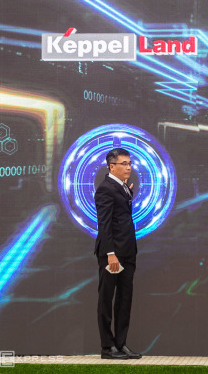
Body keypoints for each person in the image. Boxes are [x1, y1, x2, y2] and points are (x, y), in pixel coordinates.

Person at [94, 148, 142, 359]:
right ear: (112, 166)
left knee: (124, 299)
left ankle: (121, 344)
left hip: (128, 251)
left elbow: (122, 216)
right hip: (112, 253)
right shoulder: (105, 189)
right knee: (106, 299)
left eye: (130, 163)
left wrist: (128, 195)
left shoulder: (122, 187)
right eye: (124, 163)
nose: (128, 167)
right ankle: (107, 347)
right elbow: (104, 224)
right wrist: (110, 253)